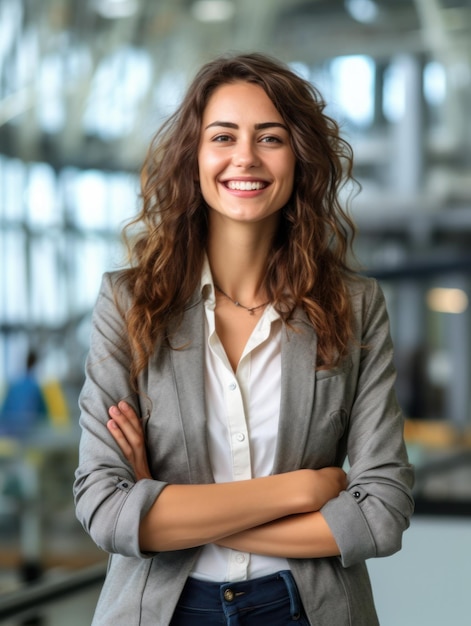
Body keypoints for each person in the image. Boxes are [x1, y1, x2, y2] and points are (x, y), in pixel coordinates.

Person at [73, 52, 414, 626]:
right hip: (162, 610)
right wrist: (305, 489)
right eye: (223, 136)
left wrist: (163, 507)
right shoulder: (129, 303)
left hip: (306, 608)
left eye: (270, 138)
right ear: (195, 156)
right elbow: (105, 510)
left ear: (299, 158)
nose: (245, 158)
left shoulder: (354, 307)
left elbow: (381, 512)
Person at [0, 349, 48, 439]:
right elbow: (43, 415)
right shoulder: (36, 388)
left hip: (9, 432)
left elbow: (3, 412)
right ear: (36, 364)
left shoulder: (14, 384)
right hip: (28, 434)